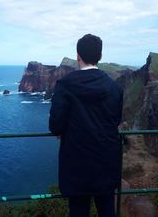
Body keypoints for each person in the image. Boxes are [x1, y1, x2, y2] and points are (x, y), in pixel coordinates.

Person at [49, 34, 123, 217]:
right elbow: (115, 120)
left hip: (76, 162)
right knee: (107, 208)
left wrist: (62, 130)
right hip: (106, 160)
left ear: (78, 56)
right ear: (100, 56)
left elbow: (55, 125)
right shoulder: (114, 87)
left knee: (78, 209)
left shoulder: (65, 85)